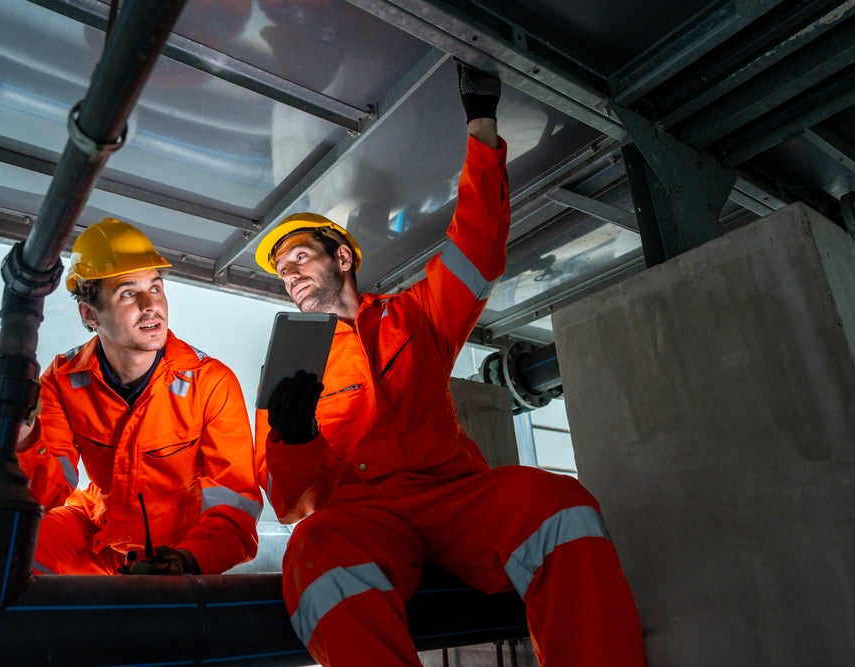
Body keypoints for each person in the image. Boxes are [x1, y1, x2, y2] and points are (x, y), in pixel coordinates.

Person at [252, 62, 647, 666]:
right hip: (362, 516)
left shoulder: (415, 315)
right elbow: (289, 501)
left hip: (454, 497)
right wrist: (295, 437)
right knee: (315, 550)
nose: (291, 276)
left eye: (300, 258)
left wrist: (482, 123)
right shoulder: (289, 364)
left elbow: (477, 248)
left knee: (560, 507)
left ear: (342, 257)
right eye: (283, 272)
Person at [0, 218, 262, 576]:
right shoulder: (63, 379)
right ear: (89, 314)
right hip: (97, 530)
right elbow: (44, 491)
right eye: (128, 293)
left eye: (156, 287)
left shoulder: (210, 382)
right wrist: (19, 423)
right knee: (5, 554)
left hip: (179, 544)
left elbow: (234, 505)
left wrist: (186, 561)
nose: (152, 305)